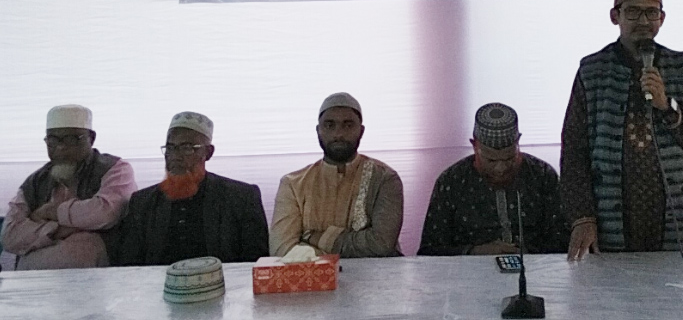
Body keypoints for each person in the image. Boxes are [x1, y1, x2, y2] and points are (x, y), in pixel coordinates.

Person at [560, 0, 683, 260]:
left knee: (679, 287)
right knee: (612, 288)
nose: (643, 21)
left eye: (651, 12)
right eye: (632, 12)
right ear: (615, 16)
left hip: (676, 217)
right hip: (611, 217)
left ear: (662, 19)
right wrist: (582, 217)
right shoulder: (592, 71)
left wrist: (667, 106)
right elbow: (574, 152)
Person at [113, 112, 269, 265]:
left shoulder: (241, 198)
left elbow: (256, 264)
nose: (175, 156)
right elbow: (128, 268)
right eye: (170, 148)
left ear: (208, 152)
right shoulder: (142, 203)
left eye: (187, 148)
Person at [418, 103, 568, 255]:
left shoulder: (542, 176)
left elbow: (563, 241)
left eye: (509, 159)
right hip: (471, 268)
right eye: (491, 160)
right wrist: (474, 252)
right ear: (474, 145)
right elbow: (429, 251)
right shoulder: (452, 181)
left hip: (535, 267)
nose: (500, 169)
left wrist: (527, 253)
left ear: (518, 143)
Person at [0, 105, 137, 269]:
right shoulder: (36, 181)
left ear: (91, 138)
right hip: (33, 282)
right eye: (52, 140)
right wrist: (57, 230)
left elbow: (106, 212)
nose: (61, 148)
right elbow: (9, 236)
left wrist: (52, 212)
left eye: (71, 139)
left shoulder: (115, 169)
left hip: (99, 279)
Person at [270, 92, 403, 258]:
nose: (338, 134)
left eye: (348, 125)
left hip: (377, 275)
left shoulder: (384, 179)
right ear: (318, 131)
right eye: (329, 125)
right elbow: (282, 250)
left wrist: (316, 238)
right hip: (314, 276)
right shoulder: (293, 184)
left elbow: (381, 245)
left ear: (361, 131)